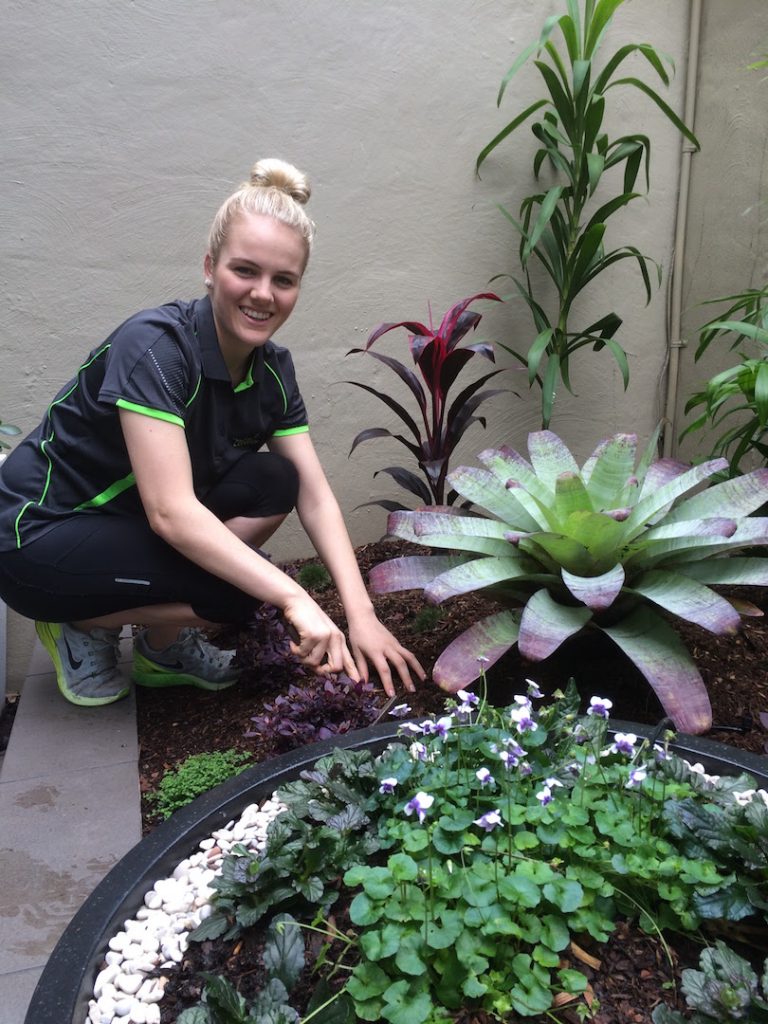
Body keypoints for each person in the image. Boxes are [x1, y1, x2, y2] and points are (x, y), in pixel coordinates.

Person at [0, 158, 425, 707]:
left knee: (277, 478)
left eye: (284, 280)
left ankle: (161, 645)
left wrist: (361, 615)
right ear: (209, 267)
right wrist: (295, 599)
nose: (263, 294)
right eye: (244, 270)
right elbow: (171, 513)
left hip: (119, 524)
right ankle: (77, 621)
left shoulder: (272, 369)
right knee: (241, 592)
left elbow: (313, 495)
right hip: (34, 536)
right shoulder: (155, 346)